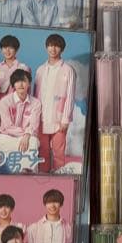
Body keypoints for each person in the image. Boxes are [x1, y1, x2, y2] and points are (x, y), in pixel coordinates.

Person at [33, 34, 76, 173]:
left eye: (56, 46)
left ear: (61, 49)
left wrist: (65, 119)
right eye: (50, 45)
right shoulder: (40, 70)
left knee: (58, 151)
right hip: (41, 117)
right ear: (46, 47)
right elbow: (35, 96)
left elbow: (70, 96)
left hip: (59, 118)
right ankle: (43, 176)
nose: (53, 49)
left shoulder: (68, 70)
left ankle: (60, 178)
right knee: (42, 151)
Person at [0, 68, 41, 170]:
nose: (21, 84)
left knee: (33, 141)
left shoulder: (36, 103)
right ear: (13, 85)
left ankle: (27, 171)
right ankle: (21, 171)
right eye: (17, 81)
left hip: (26, 137)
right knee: (27, 143)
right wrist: (25, 134)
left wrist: (27, 135)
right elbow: (8, 126)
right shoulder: (5, 101)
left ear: (29, 84)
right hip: (6, 137)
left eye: (24, 81)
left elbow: (34, 125)